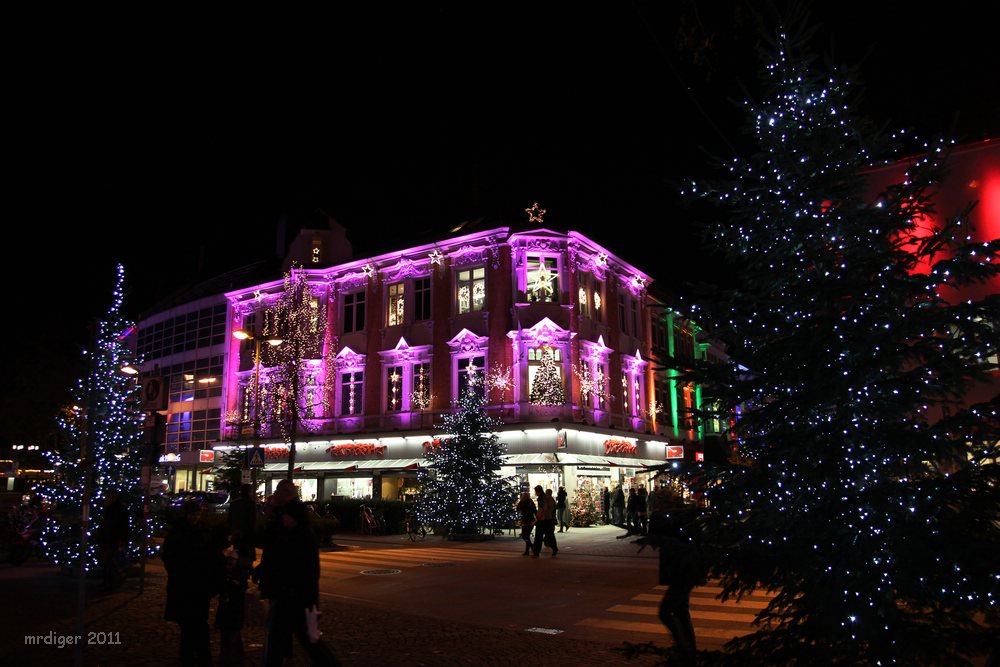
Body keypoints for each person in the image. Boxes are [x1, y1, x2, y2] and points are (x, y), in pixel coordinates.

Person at [255, 479, 339, 666]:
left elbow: (293, 563)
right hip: (295, 595)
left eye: (278, 491)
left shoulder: (296, 532)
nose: (274, 495)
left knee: (291, 637)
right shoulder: (294, 528)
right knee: (304, 638)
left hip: (291, 594)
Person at [162, 499, 226, 666]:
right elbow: (169, 556)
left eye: (197, 514)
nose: (195, 518)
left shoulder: (205, 532)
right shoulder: (178, 532)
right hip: (183, 584)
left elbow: (215, 556)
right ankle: (190, 655)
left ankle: (199, 656)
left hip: (199, 586)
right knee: (187, 622)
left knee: (198, 622)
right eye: (192, 515)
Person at [98, 488, 130, 591]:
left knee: (111, 562)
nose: (107, 498)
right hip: (108, 539)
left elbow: (123, 525)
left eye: (109, 496)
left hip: (114, 539)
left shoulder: (118, 508)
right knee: (108, 562)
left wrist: (121, 539)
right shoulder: (110, 508)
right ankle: (108, 582)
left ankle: (112, 582)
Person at [228, 483, 257, 566]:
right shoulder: (251, 503)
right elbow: (252, 521)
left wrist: (233, 531)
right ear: (250, 492)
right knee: (247, 559)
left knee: (237, 555)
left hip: (236, 535)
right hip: (247, 536)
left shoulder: (234, 503)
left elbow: (229, 520)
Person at [531, 486, 557, 557]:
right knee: (548, 535)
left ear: (538, 491)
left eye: (536, 491)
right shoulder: (545, 497)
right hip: (546, 519)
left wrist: (540, 516)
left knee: (540, 536)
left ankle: (537, 552)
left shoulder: (543, 498)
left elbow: (545, 509)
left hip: (544, 519)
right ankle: (554, 548)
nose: (535, 493)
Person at [516, 491, 537, 556]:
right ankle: (530, 548)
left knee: (525, 535)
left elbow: (518, 508)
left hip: (527, 520)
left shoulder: (523, 502)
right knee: (525, 535)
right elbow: (534, 510)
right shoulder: (530, 502)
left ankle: (528, 550)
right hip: (529, 519)